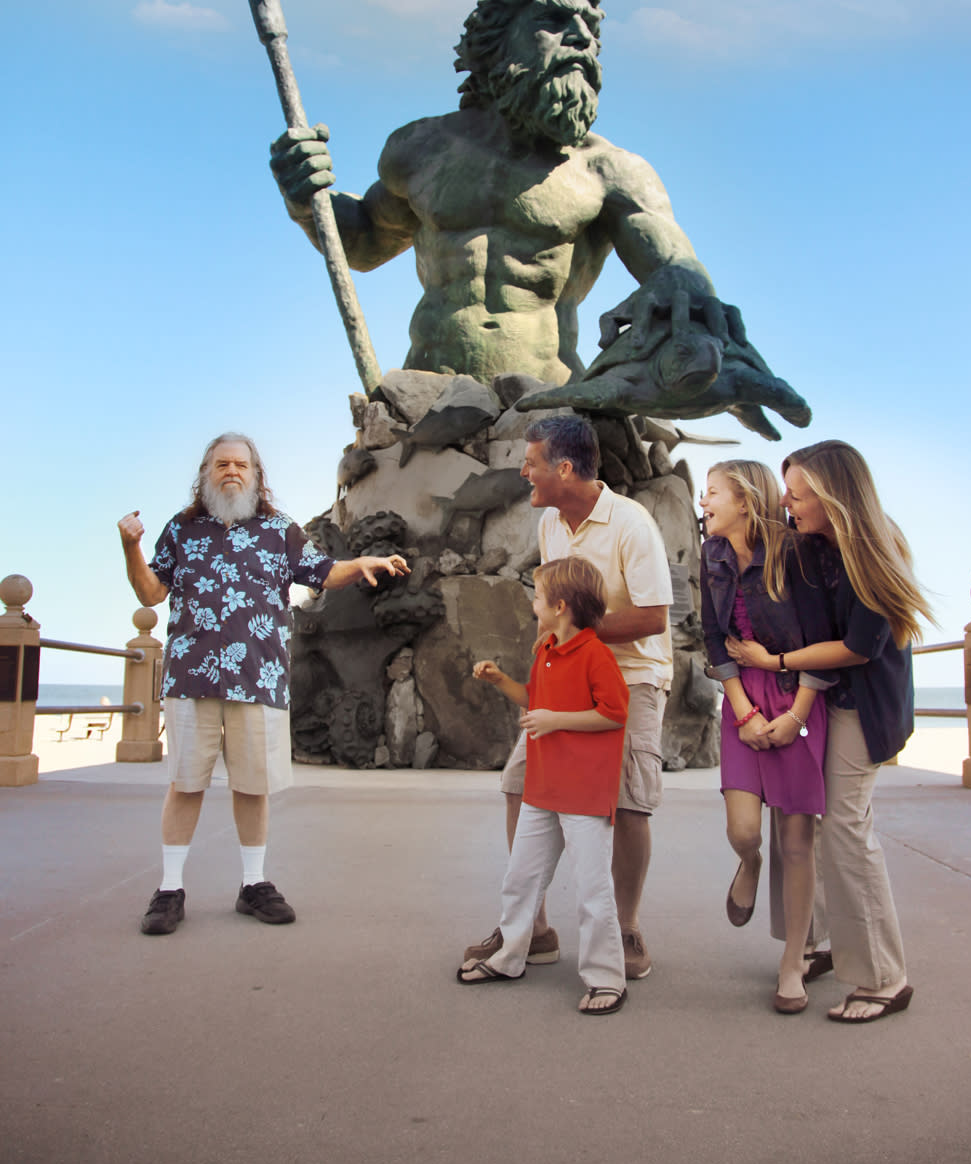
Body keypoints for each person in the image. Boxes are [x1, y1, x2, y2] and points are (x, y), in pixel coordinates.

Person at [268, 0, 808, 439]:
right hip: (429, 408)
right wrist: (304, 195)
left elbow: (677, 276)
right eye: (553, 19)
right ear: (498, 38)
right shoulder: (422, 149)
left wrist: (702, 338)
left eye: (591, 28)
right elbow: (361, 243)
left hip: (545, 413)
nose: (581, 38)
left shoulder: (609, 172)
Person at [118, 433, 410, 936]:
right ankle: (169, 889)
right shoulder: (181, 529)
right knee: (185, 784)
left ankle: (253, 884)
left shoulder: (279, 530)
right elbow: (150, 590)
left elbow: (322, 570)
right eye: (221, 464)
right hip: (191, 678)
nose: (231, 471)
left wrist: (361, 564)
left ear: (256, 475)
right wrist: (131, 547)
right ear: (205, 472)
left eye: (241, 465)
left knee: (254, 789)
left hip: (260, 679)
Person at [726, 440, 934, 1023]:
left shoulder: (874, 545)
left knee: (845, 825)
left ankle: (882, 977)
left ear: (832, 494)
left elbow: (859, 647)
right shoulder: (815, 545)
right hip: (819, 700)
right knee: (799, 815)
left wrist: (777, 665)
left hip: (860, 707)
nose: (788, 502)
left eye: (797, 492)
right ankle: (809, 942)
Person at [463, 415, 672, 981]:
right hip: (564, 679)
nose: (522, 470)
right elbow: (555, 609)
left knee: (627, 802)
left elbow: (653, 616)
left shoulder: (632, 524)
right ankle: (531, 929)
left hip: (634, 676)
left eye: (530, 461)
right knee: (517, 784)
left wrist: (580, 637)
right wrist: (546, 673)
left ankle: (624, 927)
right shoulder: (552, 525)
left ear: (564, 468)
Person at [459, 557, 630, 1015]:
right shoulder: (546, 650)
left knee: (593, 889)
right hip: (542, 787)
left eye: (537, 597)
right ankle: (510, 955)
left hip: (585, 794)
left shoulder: (596, 654)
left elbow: (614, 712)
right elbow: (535, 701)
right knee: (521, 877)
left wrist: (557, 721)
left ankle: (607, 978)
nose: (533, 604)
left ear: (561, 606)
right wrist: (501, 682)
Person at [699, 461, 834, 1014]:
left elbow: (824, 639)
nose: (702, 502)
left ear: (745, 500)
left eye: (711, 493)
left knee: (798, 844)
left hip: (800, 691)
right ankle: (749, 865)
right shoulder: (712, 557)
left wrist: (796, 716)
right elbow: (713, 639)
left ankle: (792, 962)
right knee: (744, 829)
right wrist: (743, 711)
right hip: (743, 697)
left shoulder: (796, 553)